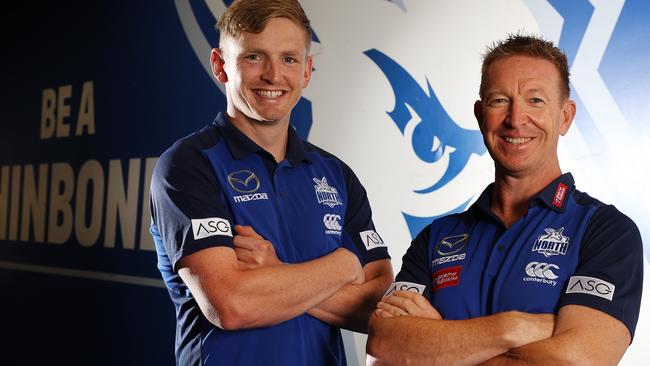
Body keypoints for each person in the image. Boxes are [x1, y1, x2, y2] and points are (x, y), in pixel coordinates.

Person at [366, 34, 643, 365]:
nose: (516, 118)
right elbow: (385, 341)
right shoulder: (436, 239)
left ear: (565, 117)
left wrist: (439, 342)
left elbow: (579, 360)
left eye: (536, 101)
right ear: (481, 115)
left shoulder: (606, 233)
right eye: (499, 101)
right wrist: (513, 327)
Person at [149, 0, 393, 365]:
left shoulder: (336, 175)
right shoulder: (188, 166)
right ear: (220, 66)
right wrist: (343, 265)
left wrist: (276, 274)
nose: (273, 75)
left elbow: (379, 305)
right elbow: (232, 305)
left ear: (307, 71)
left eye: (289, 59)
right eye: (253, 57)